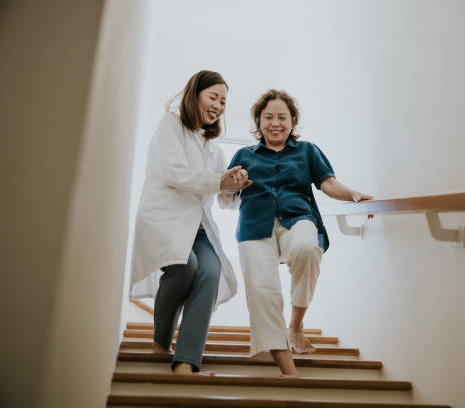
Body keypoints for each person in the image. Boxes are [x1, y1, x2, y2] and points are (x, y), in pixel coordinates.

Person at [219, 89, 373, 377]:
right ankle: (278, 352)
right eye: (268, 117)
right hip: (254, 224)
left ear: (292, 121)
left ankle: (296, 325)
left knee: (306, 247)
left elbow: (328, 183)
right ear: (258, 121)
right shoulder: (243, 154)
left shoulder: (307, 151)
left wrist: (354, 195)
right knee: (262, 289)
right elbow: (226, 195)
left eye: (282, 117)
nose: (275, 123)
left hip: (298, 216)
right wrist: (232, 183)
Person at [129, 70, 251, 375]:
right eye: (213, 97)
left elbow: (223, 198)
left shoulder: (215, 149)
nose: (219, 105)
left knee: (210, 271)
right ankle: (160, 341)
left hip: (198, 226)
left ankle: (186, 360)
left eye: (224, 101)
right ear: (194, 94)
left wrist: (236, 185)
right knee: (186, 266)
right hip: (165, 218)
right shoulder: (170, 124)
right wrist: (219, 180)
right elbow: (174, 173)